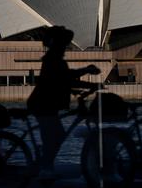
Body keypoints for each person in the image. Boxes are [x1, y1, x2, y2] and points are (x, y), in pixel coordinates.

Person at [26, 26, 100, 180]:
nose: (65, 48)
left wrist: (85, 87)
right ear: (57, 44)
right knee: (54, 136)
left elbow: (62, 81)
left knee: (55, 136)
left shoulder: (54, 58)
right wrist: (87, 71)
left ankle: (46, 163)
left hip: (46, 104)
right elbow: (65, 77)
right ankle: (45, 170)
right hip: (43, 105)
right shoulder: (53, 59)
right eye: (64, 44)